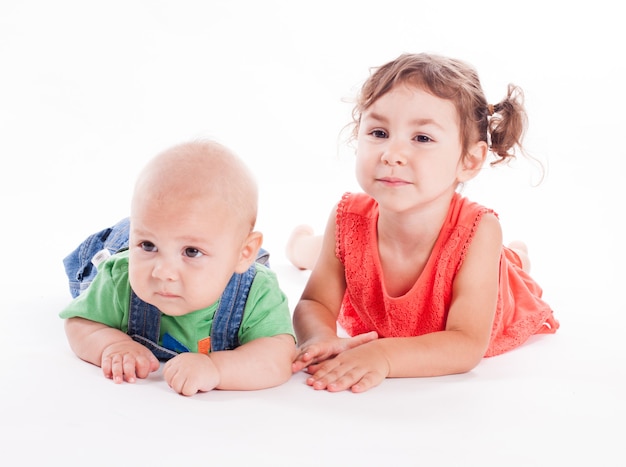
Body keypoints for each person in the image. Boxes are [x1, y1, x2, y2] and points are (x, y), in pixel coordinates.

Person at [287, 53, 559, 393]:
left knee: (511, 268)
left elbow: (465, 344)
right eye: (379, 132)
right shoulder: (347, 219)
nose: (392, 154)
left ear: (470, 160)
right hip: (362, 238)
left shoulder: (479, 231)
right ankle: (300, 247)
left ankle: (515, 257)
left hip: (487, 275)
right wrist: (321, 337)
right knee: (317, 251)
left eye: (422, 138)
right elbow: (315, 303)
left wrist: (383, 356)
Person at [60, 140, 296, 396]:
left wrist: (217, 368)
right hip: (114, 246)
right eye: (148, 245)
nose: (162, 272)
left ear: (244, 253)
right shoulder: (120, 277)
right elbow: (80, 321)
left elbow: (278, 356)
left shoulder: (257, 292)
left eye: (191, 252)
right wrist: (112, 345)